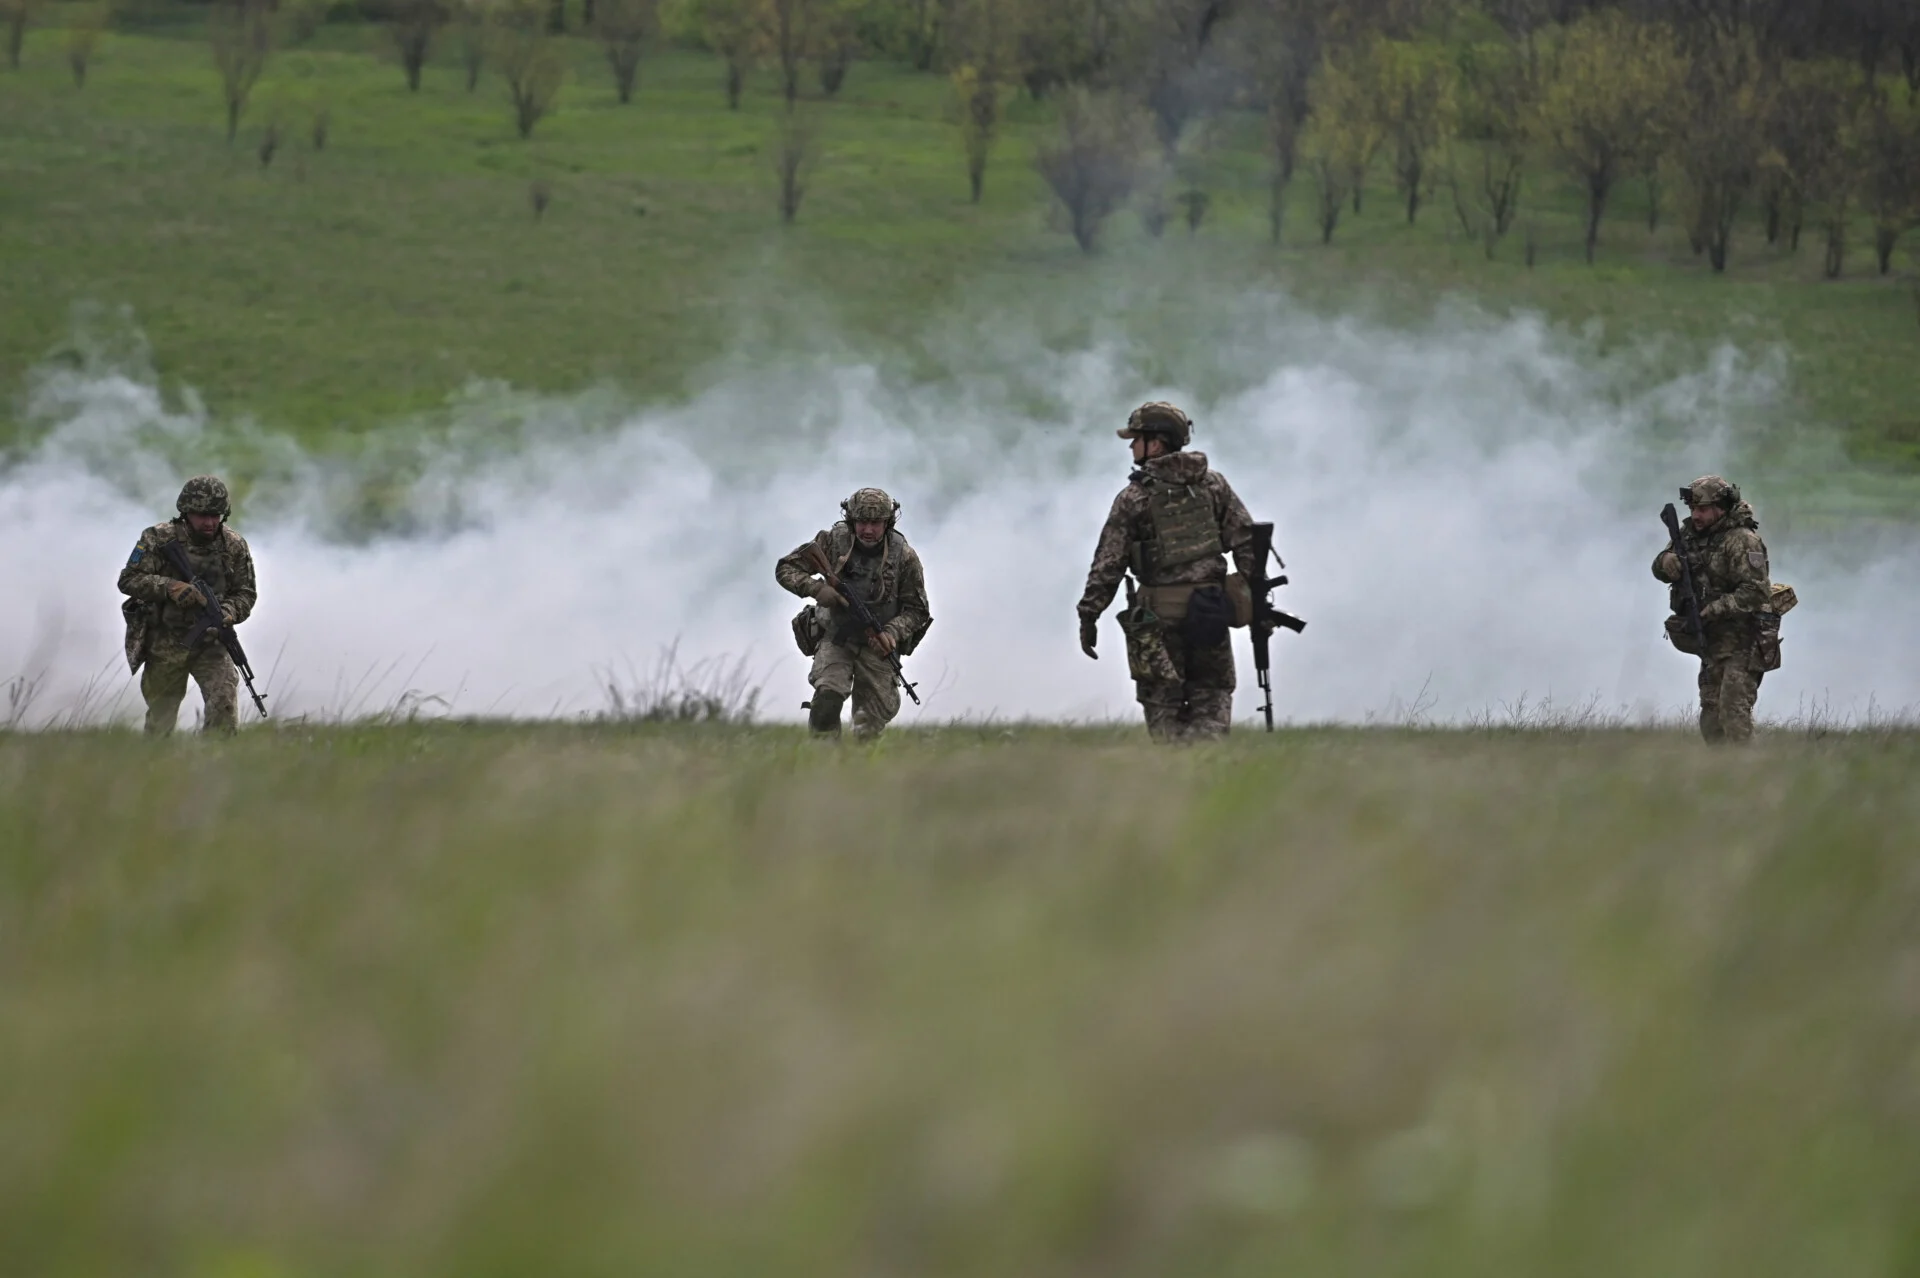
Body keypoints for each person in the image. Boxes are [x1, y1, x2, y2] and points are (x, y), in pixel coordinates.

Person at [1077, 401, 1261, 741]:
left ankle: (1173, 783)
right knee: (1212, 700)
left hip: (1157, 623)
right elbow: (1248, 544)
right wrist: (1254, 599)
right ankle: (1209, 778)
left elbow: (1109, 564)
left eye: (1136, 438)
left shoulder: (1133, 498)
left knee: (1164, 712)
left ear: (1156, 444)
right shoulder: (1215, 487)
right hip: (1211, 614)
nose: (1132, 446)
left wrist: (1089, 614)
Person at [775, 487, 932, 739]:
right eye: (861, 522)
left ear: (887, 523)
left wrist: (891, 632)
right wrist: (816, 589)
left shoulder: (904, 556)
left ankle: (859, 774)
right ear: (851, 520)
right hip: (836, 636)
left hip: (877, 645)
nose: (868, 530)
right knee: (826, 703)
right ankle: (824, 766)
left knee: (867, 728)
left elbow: (918, 610)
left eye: (876, 523)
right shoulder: (833, 542)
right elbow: (786, 568)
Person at [119, 475, 259, 736]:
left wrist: (228, 612)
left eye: (215, 515)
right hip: (166, 641)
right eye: (201, 515)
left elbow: (246, 593)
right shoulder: (157, 539)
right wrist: (170, 587)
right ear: (185, 512)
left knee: (224, 702)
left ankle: (216, 764)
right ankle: (155, 769)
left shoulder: (234, 546)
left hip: (212, 643)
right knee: (161, 719)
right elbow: (128, 580)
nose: (209, 522)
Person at [1653, 474, 1780, 744]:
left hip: (1742, 642)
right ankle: (1722, 777)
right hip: (1712, 643)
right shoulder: (1690, 536)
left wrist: (1715, 608)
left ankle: (1749, 775)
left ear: (1720, 508)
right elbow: (1659, 567)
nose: (1695, 515)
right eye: (1692, 509)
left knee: (1733, 715)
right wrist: (1666, 562)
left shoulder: (1742, 541)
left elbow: (1756, 592)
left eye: (1702, 509)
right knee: (1711, 719)